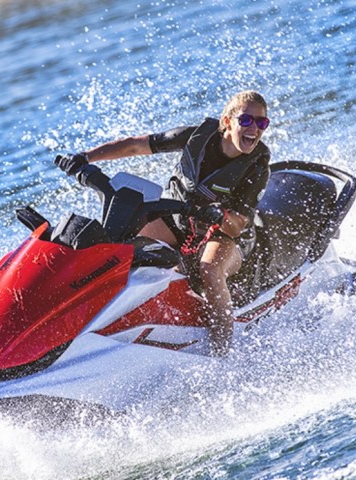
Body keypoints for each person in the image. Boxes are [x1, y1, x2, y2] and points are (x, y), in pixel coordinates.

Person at [55, 90, 271, 356]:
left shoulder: (257, 166)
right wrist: (85, 158)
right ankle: (92, 320)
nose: (255, 129)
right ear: (227, 121)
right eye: (247, 120)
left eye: (262, 123)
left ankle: (222, 352)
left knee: (209, 269)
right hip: (181, 222)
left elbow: (238, 224)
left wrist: (220, 215)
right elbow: (136, 145)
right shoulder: (195, 137)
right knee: (123, 241)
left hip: (226, 235)